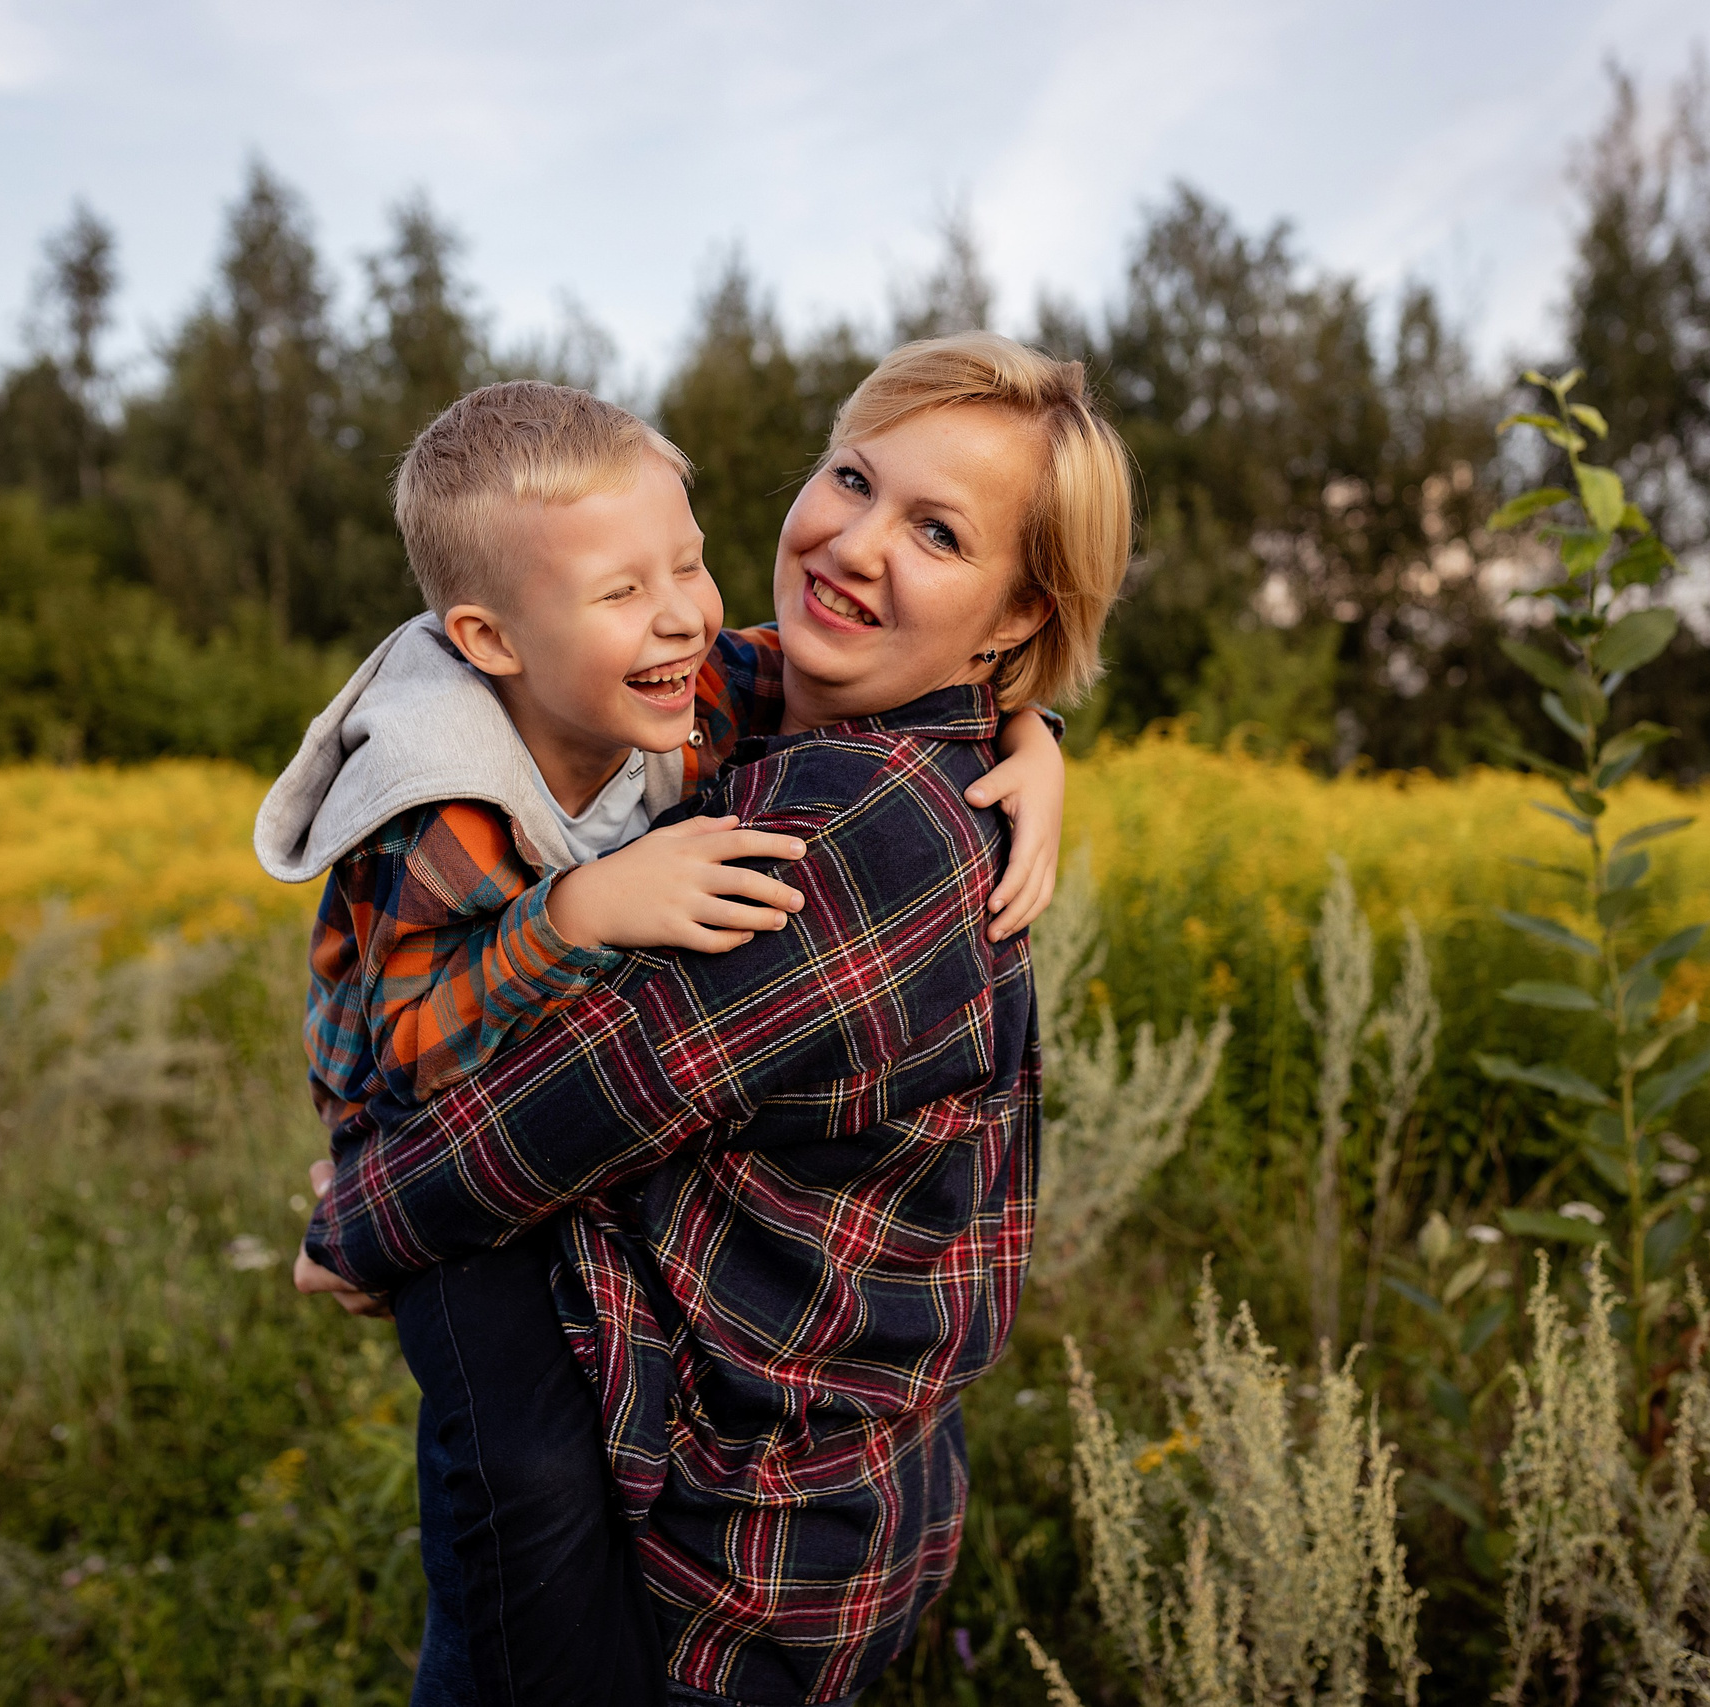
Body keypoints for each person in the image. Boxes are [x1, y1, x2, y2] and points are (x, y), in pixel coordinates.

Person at [302, 332, 1133, 1705]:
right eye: (854, 479)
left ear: (1011, 620)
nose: (857, 544)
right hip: (724, 1477)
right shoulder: (768, 720)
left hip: (731, 1548)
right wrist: (1028, 730)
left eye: (936, 530)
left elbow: (574, 1107)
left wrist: (350, 1232)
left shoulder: (856, 833)